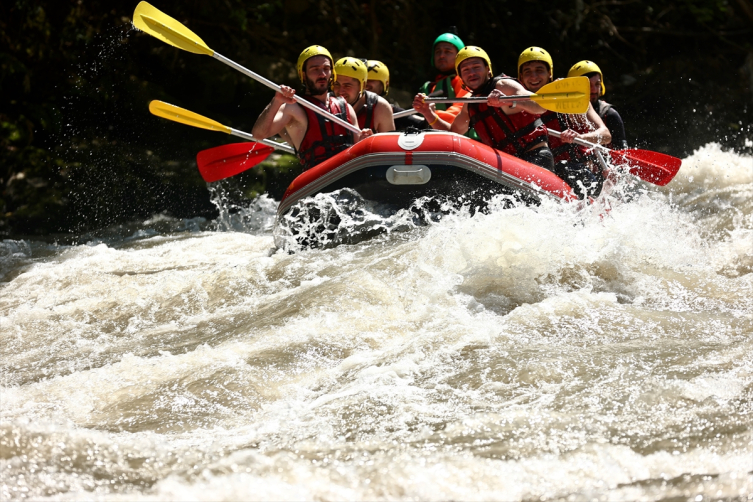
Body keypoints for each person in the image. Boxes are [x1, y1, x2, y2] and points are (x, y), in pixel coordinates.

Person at [413, 46, 553, 170]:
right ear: (461, 76)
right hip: (507, 165)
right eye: (466, 70)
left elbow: (539, 106)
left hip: (535, 156)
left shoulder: (504, 85)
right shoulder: (470, 103)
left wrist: (510, 101)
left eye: (476, 67)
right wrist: (428, 114)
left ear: (488, 69)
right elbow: (452, 132)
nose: (472, 72)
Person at [252, 45, 371, 170]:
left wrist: (365, 140)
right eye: (315, 69)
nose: (322, 74)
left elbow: (358, 147)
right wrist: (276, 101)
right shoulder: (293, 108)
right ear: (303, 75)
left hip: (347, 171)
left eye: (326, 68)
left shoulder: (346, 107)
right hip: (318, 177)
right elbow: (259, 134)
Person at [518, 47, 610, 197]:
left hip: (580, 172)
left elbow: (605, 135)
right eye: (527, 72)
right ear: (521, 77)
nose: (533, 76)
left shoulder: (570, 97)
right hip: (543, 175)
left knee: (565, 168)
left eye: (540, 70)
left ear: (550, 74)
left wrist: (580, 138)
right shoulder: (516, 104)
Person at [568, 60, 628, 149]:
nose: (594, 90)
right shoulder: (560, 112)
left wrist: (580, 138)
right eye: (588, 85)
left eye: (597, 84)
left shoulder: (610, 114)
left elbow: (623, 153)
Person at [417, 30, 470, 124]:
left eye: (447, 52)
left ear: (459, 56)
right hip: (429, 128)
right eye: (438, 52)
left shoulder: (465, 80)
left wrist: (430, 116)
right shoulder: (429, 86)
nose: (441, 56)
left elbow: (460, 111)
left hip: (453, 130)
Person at [333, 57, 394, 133]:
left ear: (362, 86)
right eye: (336, 84)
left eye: (347, 85)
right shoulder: (324, 103)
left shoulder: (380, 107)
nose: (340, 91)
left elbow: (387, 143)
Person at [365, 60, 424, 130]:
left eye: (371, 80)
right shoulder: (350, 110)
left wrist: (429, 114)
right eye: (363, 80)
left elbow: (423, 125)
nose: (365, 84)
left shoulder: (393, 111)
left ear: (384, 85)